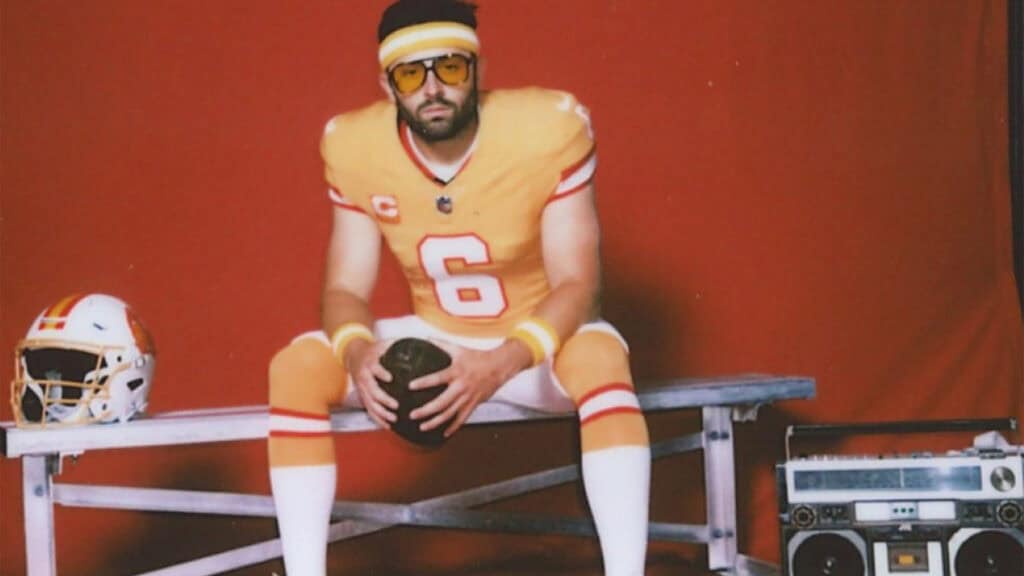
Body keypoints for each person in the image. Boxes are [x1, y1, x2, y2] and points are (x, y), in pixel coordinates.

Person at [267, 1, 650, 574]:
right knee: (294, 367)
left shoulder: (546, 128)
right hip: (441, 336)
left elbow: (579, 285)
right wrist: (357, 349)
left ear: (476, 67)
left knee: (599, 358)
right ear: (386, 84)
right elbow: (345, 286)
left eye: (448, 67)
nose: (432, 89)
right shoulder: (354, 146)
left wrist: (500, 362)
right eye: (410, 74)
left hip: (537, 347)